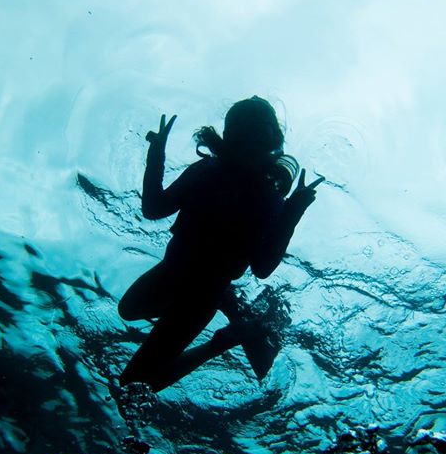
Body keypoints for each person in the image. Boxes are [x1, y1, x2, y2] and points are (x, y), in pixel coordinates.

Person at [118, 97, 322, 392]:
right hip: (176, 276)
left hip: (200, 297)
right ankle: (231, 303)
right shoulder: (208, 172)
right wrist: (156, 153)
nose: (251, 140)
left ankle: (225, 339)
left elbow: (262, 267)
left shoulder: (264, 196)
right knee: (128, 311)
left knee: (134, 383)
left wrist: (293, 212)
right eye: (246, 131)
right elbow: (153, 209)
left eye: (258, 131)